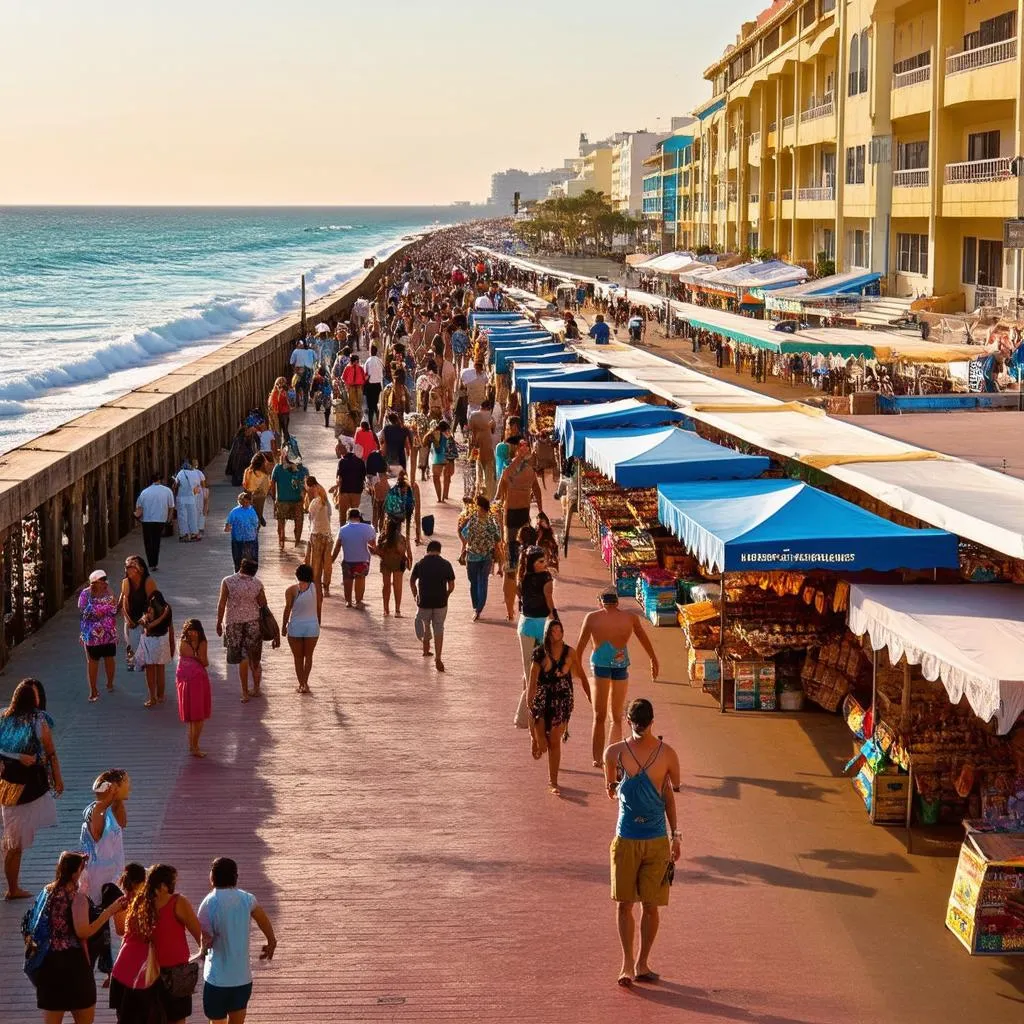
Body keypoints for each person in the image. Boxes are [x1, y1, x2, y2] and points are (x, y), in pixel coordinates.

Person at [604, 699, 681, 988]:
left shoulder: (661, 754)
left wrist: (677, 835)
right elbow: (611, 788)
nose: (639, 728)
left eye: (640, 723)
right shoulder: (616, 753)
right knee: (628, 904)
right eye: (638, 723)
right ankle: (628, 963)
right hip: (632, 839)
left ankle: (641, 962)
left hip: (652, 840)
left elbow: (668, 796)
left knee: (647, 905)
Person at [25, 851, 126, 1023]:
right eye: (82, 869)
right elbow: (83, 932)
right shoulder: (77, 898)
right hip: (74, 967)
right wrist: (109, 912)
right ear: (74, 874)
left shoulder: (46, 891)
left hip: (49, 966)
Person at [576, 589, 660, 769]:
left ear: (600, 601)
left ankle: (598, 758)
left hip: (600, 666)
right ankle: (612, 756)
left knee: (599, 716)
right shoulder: (630, 618)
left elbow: (579, 649)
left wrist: (579, 675)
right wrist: (653, 659)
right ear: (617, 602)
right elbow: (643, 639)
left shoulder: (592, 618)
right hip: (620, 665)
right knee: (616, 717)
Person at [109, 863, 202, 1024]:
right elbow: (200, 936)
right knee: (176, 1019)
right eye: (173, 881)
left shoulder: (139, 903)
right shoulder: (178, 902)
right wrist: (200, 955)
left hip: (145, 974)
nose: (175, 885)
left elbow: (128, 937)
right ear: (163, 886)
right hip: (174, 974)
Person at [0, 678, 61, 899]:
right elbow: (51, 751)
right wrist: (57, 779)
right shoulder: (39, 720)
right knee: (14, 845)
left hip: (9, 788)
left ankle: (13, 887)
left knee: (14, 843)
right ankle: (12, 888)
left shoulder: (3, 717)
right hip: (23, 788)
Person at [197, 857, 276, 1024]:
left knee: (217, 1022)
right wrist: (271, 941)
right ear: (235, 876)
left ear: (213, 877)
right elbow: (262, 919)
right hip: (242, 978)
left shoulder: (207, 904)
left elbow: (206, 940)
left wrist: (203, 951)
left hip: (216, 979)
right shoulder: (247, 899)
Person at [527, 620, 591, 795]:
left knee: (554, 741)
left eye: (559, 629)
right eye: (553, 630)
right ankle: (535, 738)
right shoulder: (539, 654)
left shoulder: (570, 652)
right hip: (542, 698)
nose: (557, 632)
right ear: (548, 633)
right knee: (543, 746)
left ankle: (553, 782)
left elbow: (582, 675)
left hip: (562, 699)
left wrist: (589, 695)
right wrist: (529, 704)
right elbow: (532, 682)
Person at [217, 559, 273, 704]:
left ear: (240, 567)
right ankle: (256, 688)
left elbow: (222, 603)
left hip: (233, 624)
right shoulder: (257, 583)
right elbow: (263, 604)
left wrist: (218, 623)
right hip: (253, 623)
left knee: (242, 658)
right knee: (254, 656)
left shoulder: (227, 581)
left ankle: (244, 692)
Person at [495, 437, 543, 570]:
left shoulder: (520, 469)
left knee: (515, 541)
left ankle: (517, 565)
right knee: (517, 541)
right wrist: (540, 510)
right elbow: (537, 490)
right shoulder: (514, 469)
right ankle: (518, 564)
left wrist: (541, 510)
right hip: (516, 511)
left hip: (516, 511)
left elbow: (499, 492)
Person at [410, 540, 455, 672]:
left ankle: (425, 649)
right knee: (439, 628)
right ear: (439, 550)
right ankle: (438, 657)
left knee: (424, 624)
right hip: (441, 602)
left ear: (427, 550)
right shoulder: (446, 564)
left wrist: (415, 594)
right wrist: (446, 594)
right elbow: (451, 586)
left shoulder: (420, 564)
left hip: (424, 601)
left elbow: (412, 581)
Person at [458, 495, 501, 620]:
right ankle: (477, 608)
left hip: (478, 556)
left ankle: (477, 608)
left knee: (477, 582)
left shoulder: (476, 519)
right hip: (480, 556)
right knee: (478, 582)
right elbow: (497, 537)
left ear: (481, 507)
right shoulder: (487, 519)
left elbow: (463, 533)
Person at [517, 548, 554, 690]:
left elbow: (519, 594)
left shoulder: (522, 576)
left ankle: (527, 695)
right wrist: (554, 617)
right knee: (541, 663)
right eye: (541, 561)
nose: (545, 564)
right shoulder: (546, 577)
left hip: (526, 623)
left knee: (528, 664)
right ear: (532, 562)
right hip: (541, 623)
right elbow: (549, 598)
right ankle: (532, 696)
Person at [78, 569, 118, 701]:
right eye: (102, 581)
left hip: (108, 633)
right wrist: (102, 609)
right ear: (94, 582)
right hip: (91, 635)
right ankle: (93, 689)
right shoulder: (85, 594)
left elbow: (114, 609)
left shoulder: (109, 592)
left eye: (105, 580)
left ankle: (110, 682)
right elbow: (83, 611)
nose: (105, 583)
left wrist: (100, 610)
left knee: (109, 658)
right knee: (92, 661)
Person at [281, 564, 322, 695]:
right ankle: (305, 682)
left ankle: (301, 684)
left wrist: (283, 626)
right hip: (312, 627)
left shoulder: (291, 590)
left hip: (295, 627)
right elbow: (319, 605)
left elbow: (287, 609)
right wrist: (318, 622)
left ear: (297, 575)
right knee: (309, 656)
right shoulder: (316, 588)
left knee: (298, 658)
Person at [176, 619, 212, 757]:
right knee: (194, 717)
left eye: (195, 631)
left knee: (197, 716)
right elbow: (201, 660)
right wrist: (198, 658)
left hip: (197, 680)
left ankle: (194, 745)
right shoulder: (185, 643)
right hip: (188, 681)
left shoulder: (200, 642)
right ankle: (194, 746)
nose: (193, 633)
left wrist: (197, 658)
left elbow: (204, 661)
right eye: (190, 630)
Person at [331, 508, 378, 608]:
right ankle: (358, 601)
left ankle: (348, 601)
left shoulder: (343, 530)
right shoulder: (368, 528)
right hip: (362, 560)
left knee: (347, 580)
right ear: (359, 517)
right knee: (360, 579)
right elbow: (373, 545)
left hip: (348, 560)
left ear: (348, 518)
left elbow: (337, 547)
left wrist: (331, 560)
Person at [119, 556, 156, 673]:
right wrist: (128, 619)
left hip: (145, 615)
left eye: (130, 566)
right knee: (129, 641)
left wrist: (145, 619)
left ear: (140, 569)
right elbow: (124, 603)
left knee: (144, 642)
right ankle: (132, 661)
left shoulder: (148, 582)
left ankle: (145, 660)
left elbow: (154, 603)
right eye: (126, 566)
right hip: (131, 614)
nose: (126, 569)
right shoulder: (126, 581)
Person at [137, 590, 173, 708]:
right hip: (163, 640)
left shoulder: (150, 608)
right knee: (161, 669)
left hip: (150, 641)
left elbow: (148, 626)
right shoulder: (167, 608)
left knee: (150, 670)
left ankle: (152, 697)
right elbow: (171, 628)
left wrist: (159, 617)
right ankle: (161, 696)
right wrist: (172, 645)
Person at [134, 473, 175, 571]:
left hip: (147, 520)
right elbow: (171, 507)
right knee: (156, 541)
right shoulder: (167, 491)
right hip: (161, 520)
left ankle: (150, 562)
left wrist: (136, 518)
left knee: (148, 542)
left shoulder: (144, 492)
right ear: (160, 480)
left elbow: (139, 508)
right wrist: (169, 520)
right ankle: (155, 563)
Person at [270, 453, 308, 551]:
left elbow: (273, 483)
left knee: (281, 522)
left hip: (282, 500)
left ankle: (281, 541)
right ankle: (297, 542)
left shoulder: (278, 468)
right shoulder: (303, 470)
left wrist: (274, 499)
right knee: (299, 521)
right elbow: (307, 487)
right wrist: (305, 501)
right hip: (298, 501)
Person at [303, 476, 333, 597]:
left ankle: (316, 587)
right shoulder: (325, 502)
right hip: (327, 534)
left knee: (315, 563)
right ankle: (326, 588)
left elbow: (309, 514)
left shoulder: (316, 502)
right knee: (327, 563)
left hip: (316, 535)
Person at [375, 516, 408, 617]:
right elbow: (402, 551)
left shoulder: (382, 537)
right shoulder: (401, 538)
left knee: (386, 586)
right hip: (398, 563)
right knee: (398, 586)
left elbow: (379, 552)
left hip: (385, 563)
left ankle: (386, 609)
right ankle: (397, 610)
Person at [224, 493, 260, 573]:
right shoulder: (235, 511)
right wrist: (227, 527)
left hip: (250, 539)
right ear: (240, 501)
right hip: (239, 540)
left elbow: (256, 524)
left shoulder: (251, 511)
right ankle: (239, 573)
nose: (246, 504)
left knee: (250, 559)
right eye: (244, 502)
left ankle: (248, 574)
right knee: (239, 559)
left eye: (247, 502)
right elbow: (228, 523)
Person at [468, 400, 497, 499]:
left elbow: (471, 430)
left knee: (477, 470)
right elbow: (493, 430)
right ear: (488, 408)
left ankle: (477, 493)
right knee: (488, 473)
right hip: (488, 447)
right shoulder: (490, 417)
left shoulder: (473, 415)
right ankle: (489, 495)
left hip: (477, 446)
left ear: (480, 406)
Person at [384, 469, 419, 547]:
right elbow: (417, 512)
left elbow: (385, 506)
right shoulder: (412, 487)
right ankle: (406, 545)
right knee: (405, 531)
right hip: (406, 512)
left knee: (392, 528)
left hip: (392, 514)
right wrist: (418, 535)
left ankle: (390, 544)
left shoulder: (393, 487)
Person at [172, 459, 203, 543]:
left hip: (181, 497)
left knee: (182, 516)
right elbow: (197, 487)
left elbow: (175, 485)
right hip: (191, 497)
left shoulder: (180, 473)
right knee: (192, 516)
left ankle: (184, 535)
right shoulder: (194, 473)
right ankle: (194, 534)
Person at [335, 448, 367, 521]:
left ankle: (342, 530)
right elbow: (364, 478)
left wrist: (337, 492)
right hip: (356, 491)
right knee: (355, 514)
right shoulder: (360, 462)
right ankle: (355, 530)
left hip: (344, 491)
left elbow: (339, 478)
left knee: (342, 514)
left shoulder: (342, 462)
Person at [429, 421, 457, 502]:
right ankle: (445, 496)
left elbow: (428, 444)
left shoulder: (434, 434)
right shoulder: (449, 436)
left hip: (437, 458)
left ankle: (439, 498)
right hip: (447, 459)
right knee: (447, 477)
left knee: (436, 478)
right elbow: (452, 449)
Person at [241, 454, 272, 527]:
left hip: (248, 496)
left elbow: (244, 485)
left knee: (249, 515)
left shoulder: (247, 471)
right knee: (257, 514)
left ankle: (259, 517)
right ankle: (260, 517)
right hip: (260, 497)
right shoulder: (264, 475)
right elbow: (266, 489)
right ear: (262, 464)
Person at [363, 344, 385, 427]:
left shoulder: (368, 361)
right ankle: (379, 421)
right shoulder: (379, 361)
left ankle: (371, 424)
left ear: (370, 351)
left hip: (370, 386)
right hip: (378, 385)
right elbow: (383, 370)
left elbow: (365, 374)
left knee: (370, 405)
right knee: (375, 403)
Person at [341, 353, 368, 420]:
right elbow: (343, 378)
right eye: (357, 361)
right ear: (355, 361)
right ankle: (354, 418)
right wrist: (346, 386)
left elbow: (364, 378)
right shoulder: (348, 368)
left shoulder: (360, 368)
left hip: (359, 387)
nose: (358, 362)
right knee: (352, 403)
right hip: (351, 387)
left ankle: (358, 418)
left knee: (359, 403)